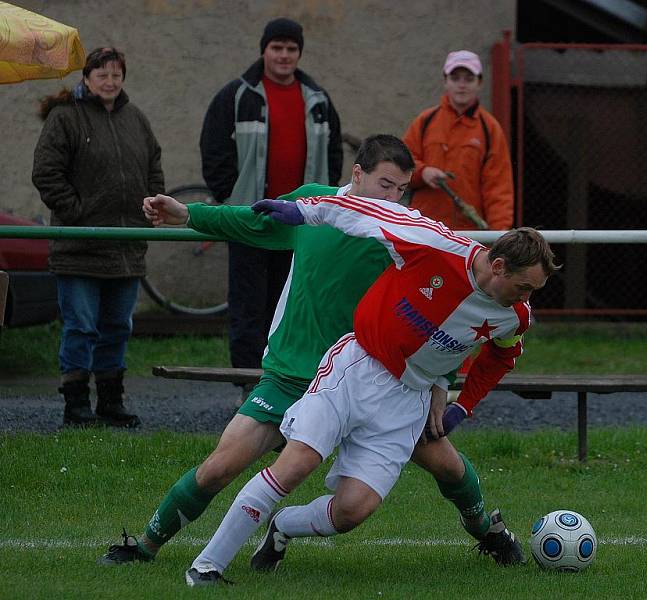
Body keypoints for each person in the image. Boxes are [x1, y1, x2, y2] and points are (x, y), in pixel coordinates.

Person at [99, 135, 525, 577]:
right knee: (219, 468)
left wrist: (440, 386)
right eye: (384, 184)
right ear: (356, 174)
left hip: (376, 376)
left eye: (401, 189)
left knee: (448, 465)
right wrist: (188, 214)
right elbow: (253, 221)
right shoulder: (312, 204)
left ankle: (487, 532)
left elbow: (449, 314)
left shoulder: (404, 233)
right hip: (293, 372)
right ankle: (145, 546)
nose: (393, 198)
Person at [182, 185, 558, 584]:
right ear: (498, 267)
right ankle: (206, 566)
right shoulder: (433, 242)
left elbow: (502, 357)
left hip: (406, 401)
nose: (527, 300)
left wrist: (461, 405)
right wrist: (303, 210)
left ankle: (283, 527)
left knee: (351, 512)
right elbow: (363, 211)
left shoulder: (513, 315)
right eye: (525, 287)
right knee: (295, 466)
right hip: (357, 368)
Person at [200, 17, 343, 395]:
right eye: (277, 48)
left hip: (300, 225)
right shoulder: (237, 95)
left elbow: (332, 157)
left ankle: (288, 386)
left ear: (299, 53)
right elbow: (213, 150)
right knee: (248, 309)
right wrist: (231, 199)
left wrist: (322, 206)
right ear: (264, 50)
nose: (284, 55)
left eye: (291, 49)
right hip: (251, 220)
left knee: (292, 308)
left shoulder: (318, 101)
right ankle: (249, 388)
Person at [31, 47, 165, 428]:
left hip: (126, 246)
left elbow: (154, 164)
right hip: (80, 247)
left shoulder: (135, 119)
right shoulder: (65, 118)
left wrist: (152, 203)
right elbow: (46, 172)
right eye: (102, 75)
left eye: (116, 75)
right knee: (82, 326)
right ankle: (76, 403)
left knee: (117, 327)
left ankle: (110, 400)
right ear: (86, 78)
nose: (109, 82)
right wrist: (76, 212)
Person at [402, 50, 513, 231]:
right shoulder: (425, 121)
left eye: (469, 79)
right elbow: (400, 166)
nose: (462, 85)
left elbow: (499, 189)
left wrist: (499, 236)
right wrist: (423, 172)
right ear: (445, 81)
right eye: (455, 78)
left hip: (469, 235)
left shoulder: (490, 129)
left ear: (479, 83)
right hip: (424, 230)